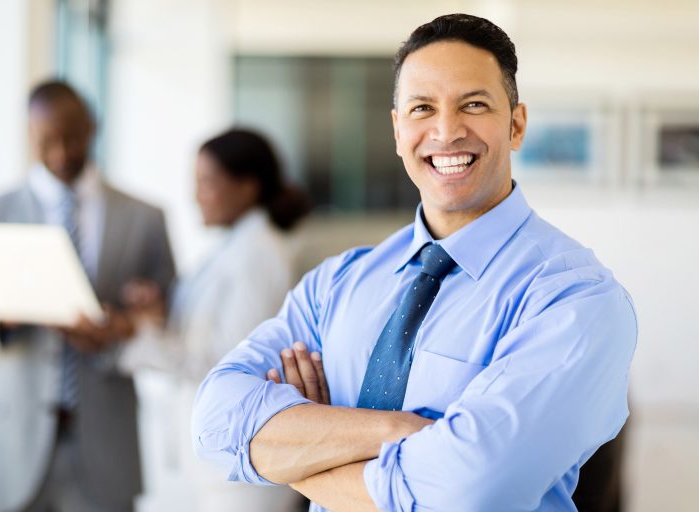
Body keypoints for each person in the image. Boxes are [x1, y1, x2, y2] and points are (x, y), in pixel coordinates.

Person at [192, 14, 637, 512]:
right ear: (398, 127)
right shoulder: (337, 284)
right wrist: (401, 431)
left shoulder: (575, 298)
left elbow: (467, 493)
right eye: (423, 108)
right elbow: (214, 421)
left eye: (473, 104)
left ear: (516, 124)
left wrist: (306, 447)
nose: (446, 131)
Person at [0, 80, 176, 512]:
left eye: (73, 139)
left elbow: (170, 313)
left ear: (93, 127)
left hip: (104, 448)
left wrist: (135, 316)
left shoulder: (145, 218)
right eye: (47, 142)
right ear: (29, 134)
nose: (62, 153)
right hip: (7, 448)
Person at [120, 128, 309, 512]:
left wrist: (131, 337)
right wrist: (155, 316)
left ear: (247, 187)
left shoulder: (258, 255)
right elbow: (198, 334)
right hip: (220, 466)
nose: (196, 196)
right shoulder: (234, 247)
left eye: (207, 183)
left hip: (243, 470)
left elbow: (225, 362)